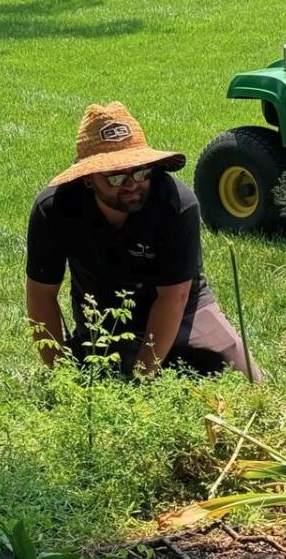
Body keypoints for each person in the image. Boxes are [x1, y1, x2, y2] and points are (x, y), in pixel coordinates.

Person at [26, 101, 259, 380]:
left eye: (140, 171)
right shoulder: (54, 208)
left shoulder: (178, 205)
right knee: (102, 381)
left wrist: (141, 377)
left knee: (249, 383)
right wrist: (61, 376)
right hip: (103, 314)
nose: (132, 184)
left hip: (184, 307)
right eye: (115, 176)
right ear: (88, 178)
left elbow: (174, 297)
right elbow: (41, 295)